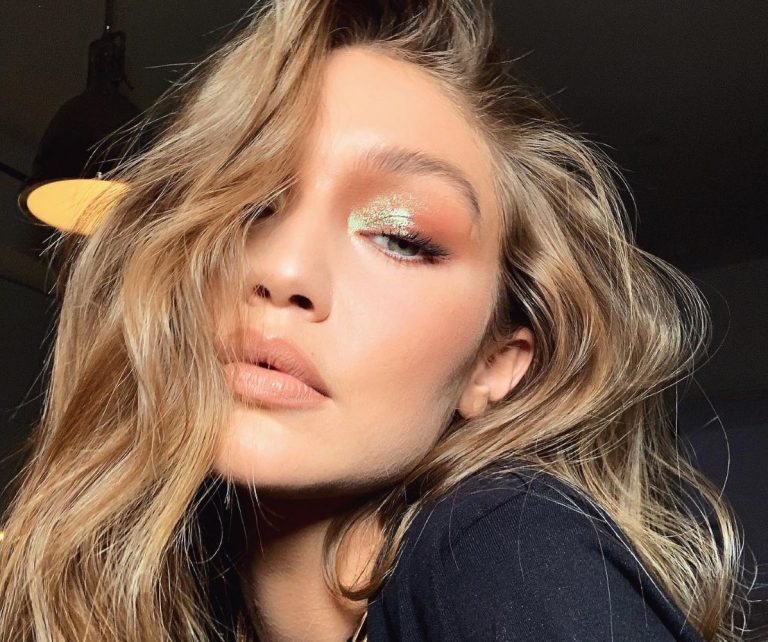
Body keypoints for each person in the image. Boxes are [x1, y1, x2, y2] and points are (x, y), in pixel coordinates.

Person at [0, 1, 750, 640]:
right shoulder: (174, 596)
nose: (284, 270)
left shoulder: (506, 547)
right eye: (248, 207)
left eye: (400, 236)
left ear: (497, 364)